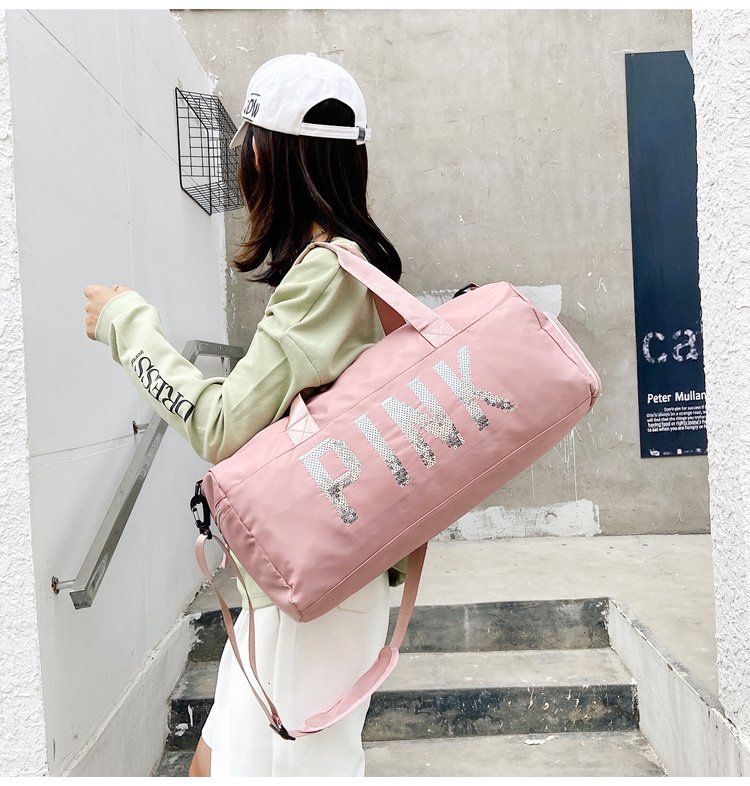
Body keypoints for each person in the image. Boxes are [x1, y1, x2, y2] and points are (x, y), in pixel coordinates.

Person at [83, 52, 407, 777]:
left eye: (247, 142)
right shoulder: (347, 266)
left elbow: (223, 426)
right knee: (211, 764)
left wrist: (127, 326)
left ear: (266, 155)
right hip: (305, 582)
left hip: (313, 595)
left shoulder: (327, 274)